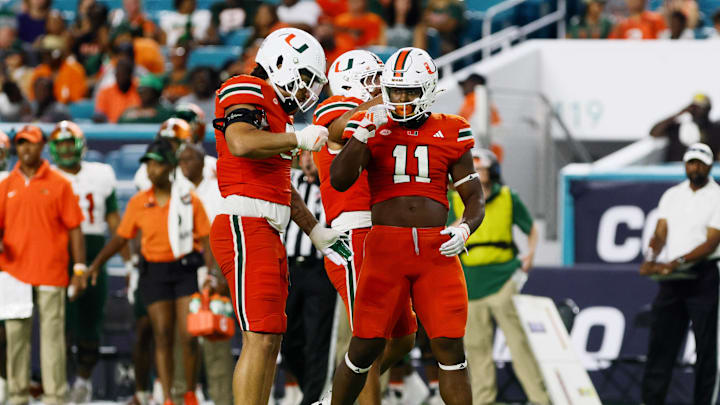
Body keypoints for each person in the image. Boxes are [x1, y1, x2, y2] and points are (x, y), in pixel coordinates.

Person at [325, 47, 484, 405]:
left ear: (427, 88)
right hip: (384, 250)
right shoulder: (373, 125)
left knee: (449, 347)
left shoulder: (452, 129)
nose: (400, 100)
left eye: (408, 92)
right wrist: (362, 134)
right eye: (394, 91)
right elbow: (339, 179)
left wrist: (464, 228)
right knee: (364, 346)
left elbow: (474, 196)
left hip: (435, 251)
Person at [209, 27, 350, 405]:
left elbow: (280, 185)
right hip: (245, 222)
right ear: (281, 60)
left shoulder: (275, 109)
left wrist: (315, 229)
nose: (306, 88)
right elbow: (239, 142)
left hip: (268, 226)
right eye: (303, 76)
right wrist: (297, 139)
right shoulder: (246, 86)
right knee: (259, 335)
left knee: (271, 336)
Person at [313, 49, 416, 405]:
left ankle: (337, 396)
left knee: (405, 336)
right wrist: (383, 99)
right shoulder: (334, 107)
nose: (381, 88)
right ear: (350, 81)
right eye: (374, 80)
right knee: (369, 337)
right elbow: (341, 128)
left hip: (386, 234)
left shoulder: (378, 119)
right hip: (354, 233)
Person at [88, 138, 214, 405]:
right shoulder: (138, 202)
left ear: (170, 167)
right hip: (154, 272)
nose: (150, 170)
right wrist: (96, 264)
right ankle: (168, 397)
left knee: (188, 335)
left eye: (156, 164)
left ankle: (190, 393)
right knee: (163, 335)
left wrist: (208, 271)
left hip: (185, 270)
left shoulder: (188, 199)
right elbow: (121, 238)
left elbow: (206, 237)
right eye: (147, 165)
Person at [448, 148, 549, 405]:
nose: (479, 174)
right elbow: (443, 232)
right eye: (475, 169)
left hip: (504, 277)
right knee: (476, 348)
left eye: (482, 169)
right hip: (469, 281)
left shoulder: (508, 197)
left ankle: (539, 399)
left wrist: (531, 254)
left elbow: (531, 228)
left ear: (493, 171)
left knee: (519, 343)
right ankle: (483, 401)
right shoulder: (455, 199)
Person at [0, 125, 87, 405]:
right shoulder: (6, 185)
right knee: (16, 339)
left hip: (51, 270)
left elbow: (75, 228)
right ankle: (17, 395)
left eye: (31, 143)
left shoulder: (60, 184)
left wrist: (80, 268)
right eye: (21, 144)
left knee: (52, 339)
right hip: (13, 273)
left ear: (41, 147)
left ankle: (55, 397)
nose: (26, 149)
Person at [48, 120, 131, 403]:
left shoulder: (100, 174)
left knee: (90, 323)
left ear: (81, 145)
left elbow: (113, 220)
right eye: (61, 145)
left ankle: (82, 383)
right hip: (57, 252)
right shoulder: (48, 177)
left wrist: (128, 261)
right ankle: (57, 384)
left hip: (94, 250)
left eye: (70, 143)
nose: (67, 149)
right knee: (59, 325)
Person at [639, 142, 720, 405]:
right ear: (685, 164)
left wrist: (679, 260)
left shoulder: (717, 196)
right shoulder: (672, 195)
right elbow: (661, 231)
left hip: (704, 277)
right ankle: (652, 401)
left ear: (709, 165)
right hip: (672, 280)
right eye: (690, 162)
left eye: (700, 163)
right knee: (660, 346)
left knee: (706, 350)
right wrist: (652, 256)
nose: (694, 168)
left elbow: (711, 242)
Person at [280, 151, 339, 405]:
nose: (306, 160)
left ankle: (312, 399)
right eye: (303, 155)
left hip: (321, 269)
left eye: (311, 155)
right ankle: (315, 394)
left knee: (318, 340)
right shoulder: (291, 181)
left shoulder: (336, 183)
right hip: (291, 269)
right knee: (288, 342)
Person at [176, 143, 233, 405]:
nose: (185, 163)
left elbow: (224, 232)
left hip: (216, 267)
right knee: (184, 337)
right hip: (185, 270)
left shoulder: (218, 189)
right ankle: (183, 396)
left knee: (214, 339)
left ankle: (223, 399)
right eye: (182, 159)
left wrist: (218, 272)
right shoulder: (177, 189)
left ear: (202, 161)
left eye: (190, 158)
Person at [134, 117, 217, 191]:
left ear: (188, 142)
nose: (168, 146)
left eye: (174, 142)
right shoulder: (151, 166)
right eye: (165, 141)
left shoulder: (208, 163)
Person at [649, 93, 720, 162]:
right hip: (673, 169)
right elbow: (654, 133)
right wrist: (679, 113)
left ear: (708, 109)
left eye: (701, 108)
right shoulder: (678, 128)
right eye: (694, 107)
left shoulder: (716, 129)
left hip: (703, 169)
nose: (697, 110)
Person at [94, 56, 141, 123]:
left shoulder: (140, 90)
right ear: (115, 75)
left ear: (131, 75)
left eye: (124, 74)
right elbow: (100, 115)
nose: (121, 77)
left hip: (133, 128)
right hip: (111, 130)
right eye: (119, 73)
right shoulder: (105, 92)